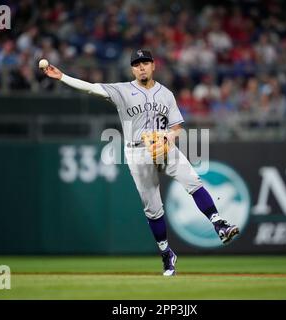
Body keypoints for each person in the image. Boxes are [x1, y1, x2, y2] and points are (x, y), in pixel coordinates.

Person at [42, 49, 239, 276]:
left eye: (145, 62)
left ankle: (219, 224)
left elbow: (177, 128)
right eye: (137, 64)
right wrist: (63, 77)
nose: (141, 67)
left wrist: (169, 136)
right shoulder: (122, 90)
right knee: (153, 210)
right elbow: (91, 88)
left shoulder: (166, 94)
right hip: (137, 152)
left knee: (193, 180)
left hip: (165, 148)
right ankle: (167, 254)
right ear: (132, 69)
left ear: (153, 65)